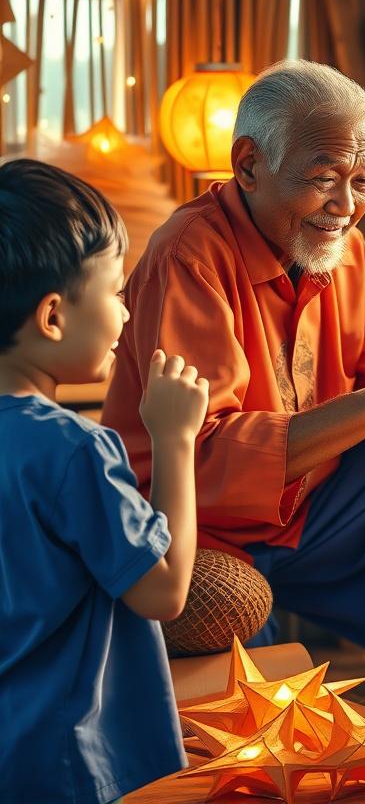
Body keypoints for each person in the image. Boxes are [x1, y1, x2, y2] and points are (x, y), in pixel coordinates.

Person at [102, 60, 365, 726]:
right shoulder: (189, 254)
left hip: (310, 512)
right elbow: (204, 460)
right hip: (199, 530)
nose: (345, 206)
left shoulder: (342, 250)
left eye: (362, 181)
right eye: (324, 179)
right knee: (252, 734)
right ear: (248, 165)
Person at [0, 160, 208, 804]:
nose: (124, 312)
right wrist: (175, 441)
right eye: (115, 291)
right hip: (67, 757)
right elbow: (165, 590)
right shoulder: (74, 450)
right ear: (54, 316)